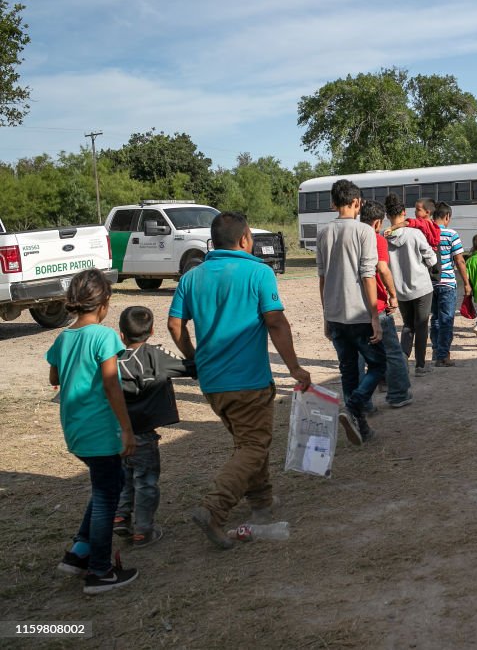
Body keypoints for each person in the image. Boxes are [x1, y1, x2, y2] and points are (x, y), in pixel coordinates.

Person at [169, 212, 311, 550]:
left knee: (248, 441)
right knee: (253, 445)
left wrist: (193, 357)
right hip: (249, 380)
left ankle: (262, 501)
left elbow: (175, 326)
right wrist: (294, 368)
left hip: (213, 382)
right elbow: (276, 323)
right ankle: (214, 508)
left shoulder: (191, 278)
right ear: (245, 239)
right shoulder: (258, 272)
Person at [48, 268, 139, 593]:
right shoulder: (104, 337)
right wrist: (127, 430)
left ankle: (78, 552)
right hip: (100, 431)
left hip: (75, 431)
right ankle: (99, 571)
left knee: (108, 485)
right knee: (106, 497)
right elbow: (112, 385)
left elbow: (54, 378)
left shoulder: (64, 337)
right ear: (103, 303)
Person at [314, 179, 387, 446]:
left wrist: (325, 316)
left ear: (334, 203)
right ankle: (354, 406)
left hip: (334, 313)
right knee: (379, 364)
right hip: (358, 313)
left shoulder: (323, 233)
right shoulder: (364, 232)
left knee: (348, 370)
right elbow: (368, 276)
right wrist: (375, 317)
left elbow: (322, 278)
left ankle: (361, 427)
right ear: (357, 202)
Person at [113, 306, 193, 548]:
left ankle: (120, 516)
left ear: (122, 335)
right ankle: (143, 530)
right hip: (144, 436)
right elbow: (188, 367)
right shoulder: (154, 356)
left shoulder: (111, 359)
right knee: (146, 482)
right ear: (152, 331)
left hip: (117, 433)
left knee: (123, 478)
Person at [359, 200, 413, 408]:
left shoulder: (351, 237)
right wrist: (392, 294)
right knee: (392, 351)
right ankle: (398, 394)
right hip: (378, 306)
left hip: (355, 308)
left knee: (359, 355)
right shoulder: (376, 239)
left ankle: (362, 403)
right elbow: (382, 268)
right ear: (377, 223)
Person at [384, 193, 436, 377]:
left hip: (400, 289)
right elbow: (431, 259)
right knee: (422, 325)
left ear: (386, 216)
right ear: (404, 212)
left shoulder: (385, 237)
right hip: (422, 287)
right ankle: (420, 365)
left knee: (408, 325)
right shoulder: (416, 233)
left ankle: (403, 359)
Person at [430, 202, 471, 366]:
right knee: (446, 319)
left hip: (430, 283)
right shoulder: (451, 234)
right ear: (447, 217)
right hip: (447, 282)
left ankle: (435, 350)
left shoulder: (426, 233)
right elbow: (460, 260)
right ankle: (443, 356)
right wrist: (466, 283)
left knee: (435, 318)